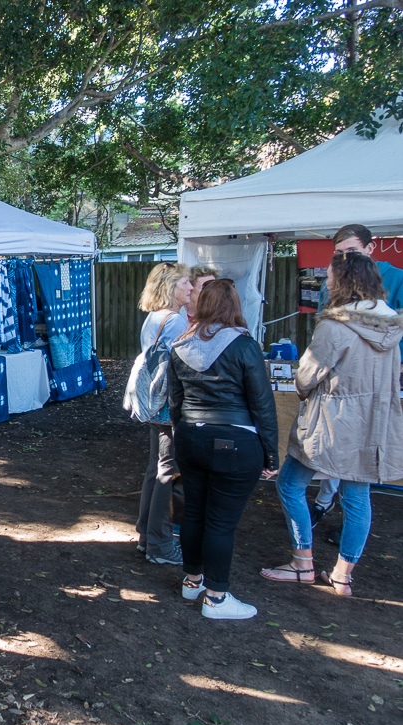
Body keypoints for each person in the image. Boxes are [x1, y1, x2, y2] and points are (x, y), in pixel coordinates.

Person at [260, 251, 403, 596]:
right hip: (374, 425)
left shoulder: (336, 325)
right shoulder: (391, 328)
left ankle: (302, 563)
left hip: (331, 424)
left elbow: (306, 377)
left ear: (345, 282)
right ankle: (342, 576)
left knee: (290, 485)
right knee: (358, 498)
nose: (325, 282)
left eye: (329, 276)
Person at [168, 279, 278, 620]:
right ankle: (216, 598)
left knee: (194, 512)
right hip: (235, 443)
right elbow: (263, 405)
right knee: (220, 522)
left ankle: (192, 580)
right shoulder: (244, 346)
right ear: (234, 305)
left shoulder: (180, 344)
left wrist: (183, 436)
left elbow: (175, 402)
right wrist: (271, 454)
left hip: (190, 437)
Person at [310, 224, 403, 530]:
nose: (344, 258)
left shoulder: (396, 279)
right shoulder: (331, 285)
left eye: (351, 252)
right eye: (339, 253)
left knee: (358, 475)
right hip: (342, 386)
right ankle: (325, 500)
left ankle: (342, 538)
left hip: (379, 379)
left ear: (370, 249)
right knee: (339, 457)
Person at [135, 262, 192, 565]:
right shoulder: (175, 321)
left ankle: (147, 537)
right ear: (171, 286)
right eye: (186, 283)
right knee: (168, 474)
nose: (191, 288)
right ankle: (159, 546)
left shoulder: (155, 318)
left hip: (155, 405)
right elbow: (180, 367)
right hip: (169, 406)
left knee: (156, 471)